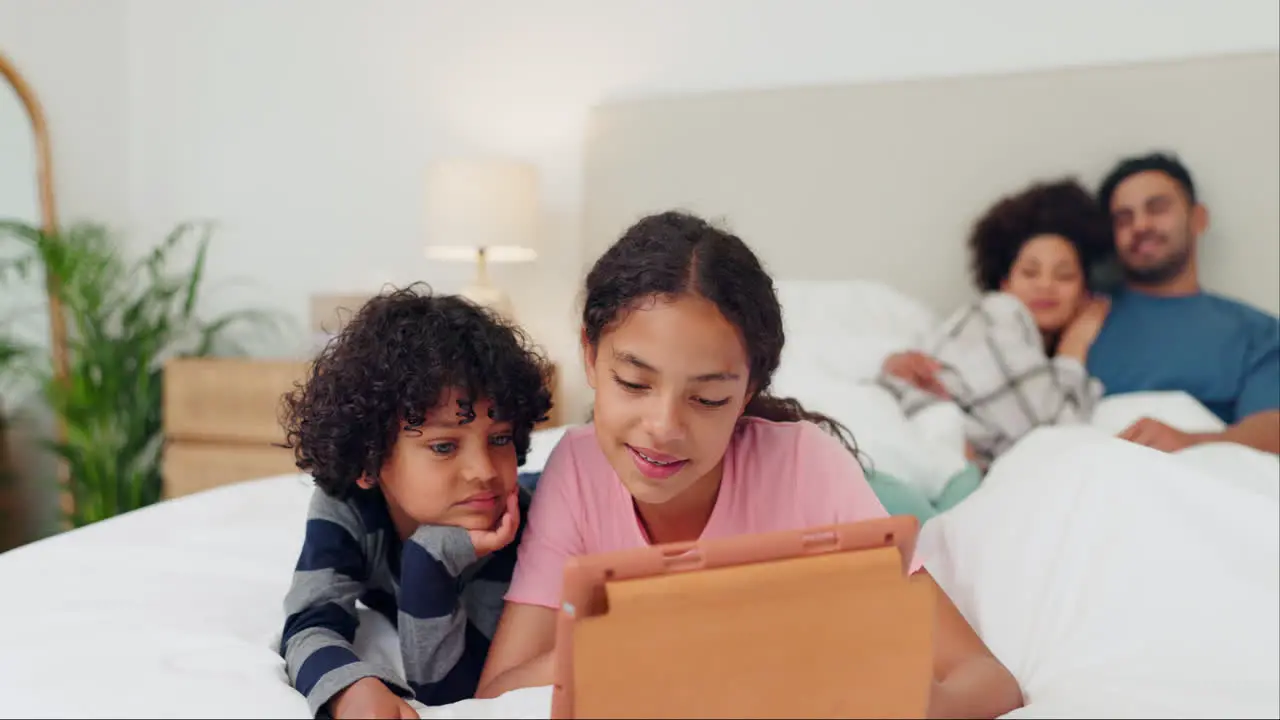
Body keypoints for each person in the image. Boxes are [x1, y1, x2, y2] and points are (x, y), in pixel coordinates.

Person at [475, 211, 1025, 718]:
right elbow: (496, 692)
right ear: (590, 357)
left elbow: (987, 680)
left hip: (866, 490)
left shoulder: (807, 466)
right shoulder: (576, 465)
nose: (663, 426)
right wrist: (633, 649)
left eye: (708, 398)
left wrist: (907, 703)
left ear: (747, 392)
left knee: (937, 504)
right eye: (635, 383)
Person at [276, 285, 554, 719]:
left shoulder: (521, 526)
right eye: (444, 447)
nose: (483, 469)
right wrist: (349, 688)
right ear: (370, 459)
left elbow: (447, 687)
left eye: (499, 439)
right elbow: (310, 621)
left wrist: (430, 558)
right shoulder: (346, 504)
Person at [878, 178, 1114, 473]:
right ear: (1005, 284)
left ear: (1084, 294)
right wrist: (1074, 346)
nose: (1045, 285)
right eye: (1029, 272)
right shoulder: (997, 313)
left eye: (1064, 275)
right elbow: (1055, 436)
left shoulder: (1038, 360)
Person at [1086, 152, 1279, 455]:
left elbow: (1273, 430)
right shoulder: (1080, 320)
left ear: (1198, 218)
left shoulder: (1257, 332)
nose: (1140, 226)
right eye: (1124, 219)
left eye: (1157, 208)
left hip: (1205, 483)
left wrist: (1189, 443)